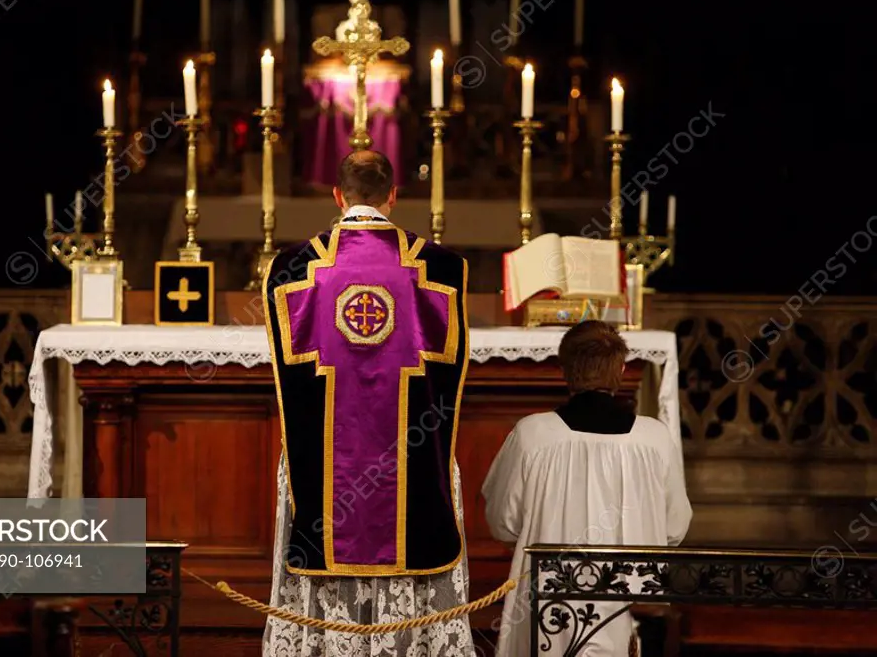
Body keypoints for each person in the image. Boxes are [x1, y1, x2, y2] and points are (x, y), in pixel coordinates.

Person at [262, 150, 474, 656]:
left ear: (338, 196)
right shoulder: (439, 267)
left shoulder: (294, 267)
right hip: (411, 456)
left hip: (327, 462)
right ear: (393, 196)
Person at [482, 320, 692, 657]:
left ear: (564, 371)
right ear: (622, 370)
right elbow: (674, 527)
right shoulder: (653, 439)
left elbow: (503, 522)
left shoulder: (532, 435)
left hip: (547, 606)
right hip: (629, 599)